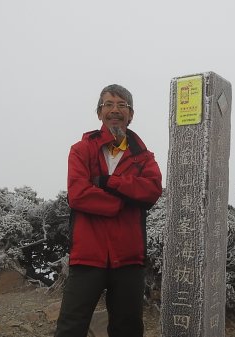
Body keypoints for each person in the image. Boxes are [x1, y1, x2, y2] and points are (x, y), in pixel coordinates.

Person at [54, 84, 163, 337]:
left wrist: (108, 182)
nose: (115, 110)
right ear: (99, 112)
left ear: (131, 114)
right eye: (109, 104)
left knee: (128, 328)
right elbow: (78, 195)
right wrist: (122, 201)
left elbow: (152, 190)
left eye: (122, 105)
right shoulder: (82, 149)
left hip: (129, 256)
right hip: (88, 254)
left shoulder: (144, 156)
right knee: (71, 327)